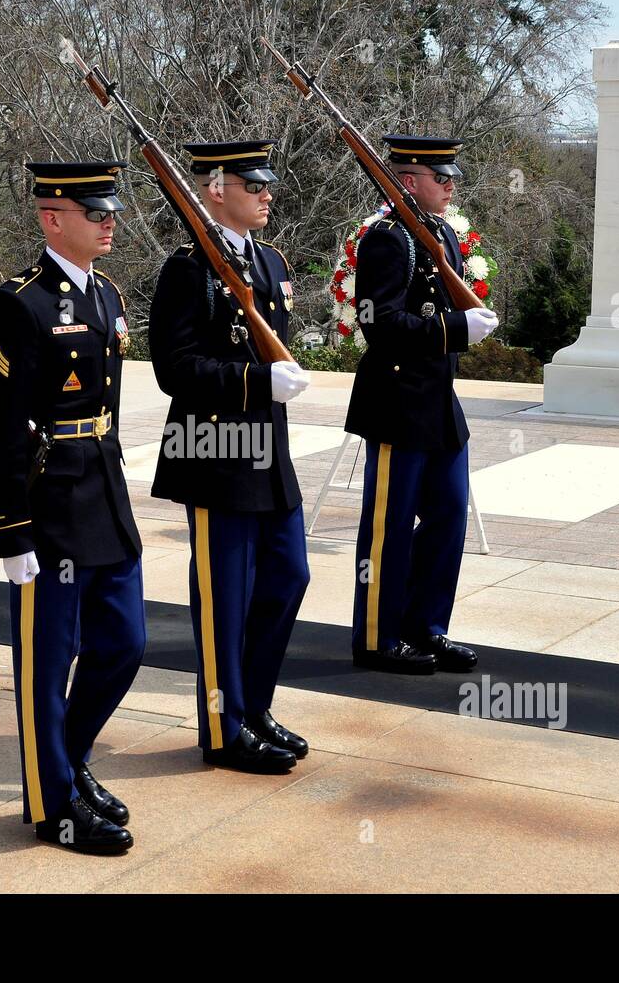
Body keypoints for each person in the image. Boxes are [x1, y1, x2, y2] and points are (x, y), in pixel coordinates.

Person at [0, 159, 144, 854]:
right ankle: (55, 807)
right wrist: (9, 531)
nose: (109, 222)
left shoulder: (105, 294)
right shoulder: (19, 304)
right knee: (48, 665)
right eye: (95, 213)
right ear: (52, 218)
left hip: (103, 495)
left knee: (126, 644)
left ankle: (67, 765)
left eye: (110, 212)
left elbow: (109, 406)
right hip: (48, 509)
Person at [148, 139, 311, 774]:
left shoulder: (267, 262)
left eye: (267, 184)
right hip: (215, 452)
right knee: (226, 598)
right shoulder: (188, 270)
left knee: (288, 576)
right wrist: (253, 382)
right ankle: (223, 726)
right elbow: (175, 368)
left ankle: (254, 707)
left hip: (268, 452)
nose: (268, 194)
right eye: (255, 186)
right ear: (216, 190)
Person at [345, 135, 500, 674]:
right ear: (409, 182)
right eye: (441, 176)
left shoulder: (439, 235)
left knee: (448, 515)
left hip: (437, 403)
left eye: (451, 175)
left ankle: (426, 627)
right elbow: (378, 324)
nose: (451, 183)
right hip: (396, 402)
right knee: (387, 526)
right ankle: (377, 636)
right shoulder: (387, 240)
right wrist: (456, 328)